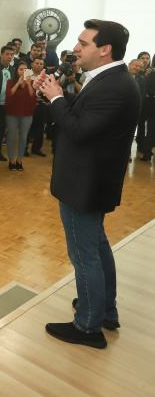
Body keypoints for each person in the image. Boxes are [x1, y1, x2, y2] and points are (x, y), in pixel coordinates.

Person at [35, 20, 140, 349]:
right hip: (91, 180)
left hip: (86, 183)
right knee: (96, 247)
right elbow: (83, 119)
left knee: (84, 255)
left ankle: (88, 327)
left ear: (105, 49)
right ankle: (104, 309)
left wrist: (56, 99)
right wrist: (54, 95)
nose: (76, 48)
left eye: (83, 43)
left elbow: (78, 131)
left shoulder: (115, 85)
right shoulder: (111, 80)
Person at [4, 61, 37, 171]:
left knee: (23, 138)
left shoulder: (32, 82)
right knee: (11, 137)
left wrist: (28, 84)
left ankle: (20, 160)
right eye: (20, 69)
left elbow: (33, 97)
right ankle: (11, 160)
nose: (23, 71)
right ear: (16, 71)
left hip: (26, 114)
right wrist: (18, 83)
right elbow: (9, 95)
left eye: (25, 69)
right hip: (12, 113)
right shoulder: (10, 81)